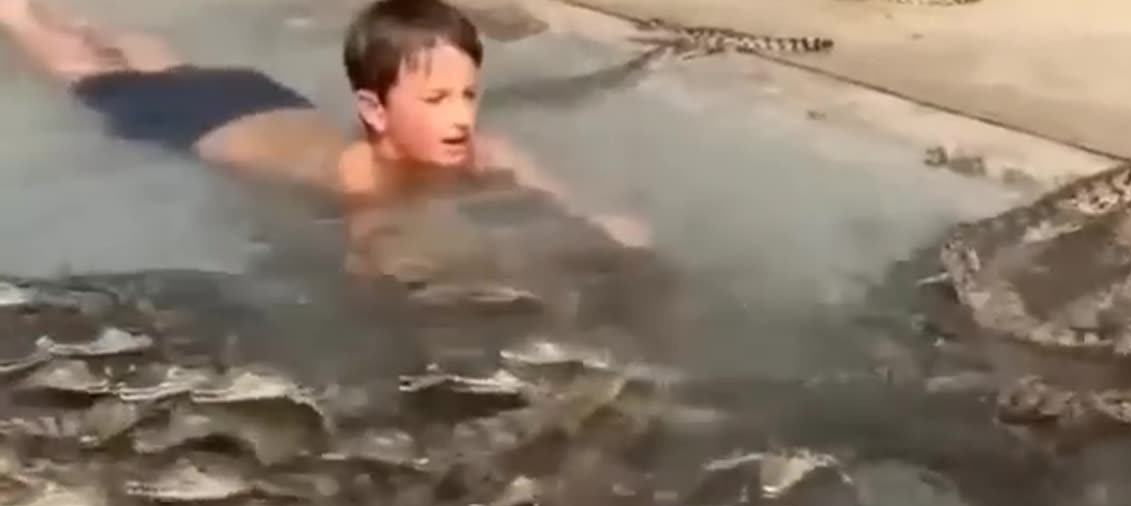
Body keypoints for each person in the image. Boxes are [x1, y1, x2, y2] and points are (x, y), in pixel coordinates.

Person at [0, 0, 651, 274]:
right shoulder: (366, 182)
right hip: (197, 123)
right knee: (81, 67)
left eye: (464, 97)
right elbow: (371, 268)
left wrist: (600, 222)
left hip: (255, 100)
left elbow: (552, 192)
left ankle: (59, 16)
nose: (457, 118)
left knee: (153, 59)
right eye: (434, 103)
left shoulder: (475, 150)